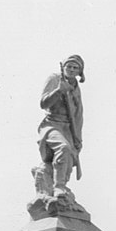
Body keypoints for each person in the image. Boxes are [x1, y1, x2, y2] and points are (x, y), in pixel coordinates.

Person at [36, 55, 85, 197]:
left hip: (68, 128)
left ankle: (62, 186)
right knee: (63, 148)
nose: (71, 69)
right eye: (68, 66)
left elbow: (78, 114)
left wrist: (78, 138)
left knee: (70, 155)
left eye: (75, 68)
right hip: (51, 124)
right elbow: (43, 103)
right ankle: (59, 187)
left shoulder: (76, 87)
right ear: (63, 67)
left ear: (79, 72)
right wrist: (59, 91)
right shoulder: (54, 79)